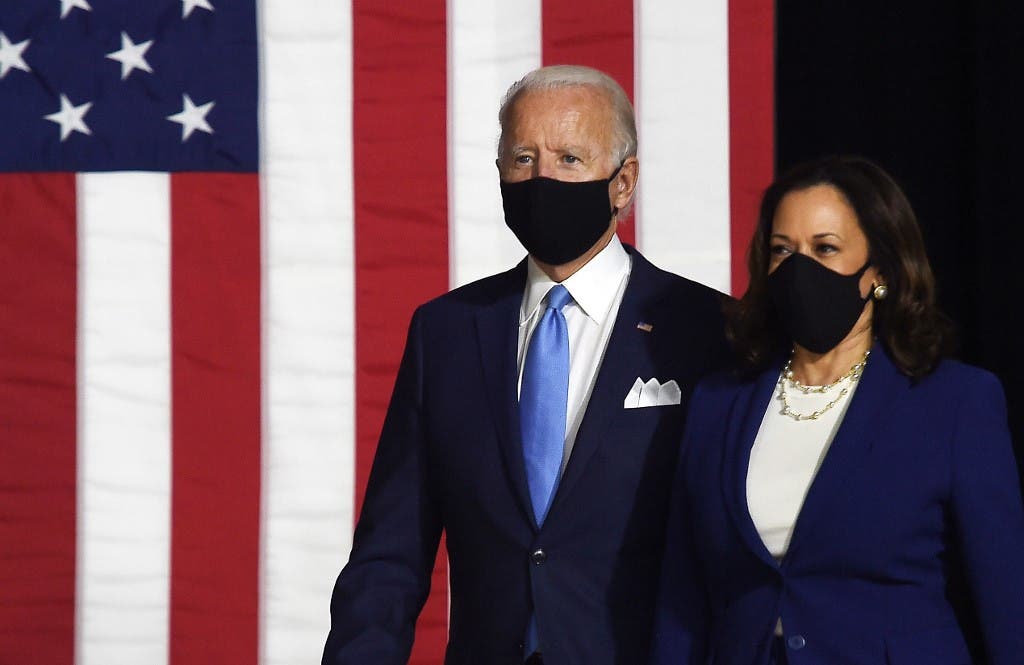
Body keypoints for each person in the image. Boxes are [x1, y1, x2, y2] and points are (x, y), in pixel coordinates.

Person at [322, 65, 730, 665]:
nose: (542, 178)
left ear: (624, 182)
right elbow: (391, 552)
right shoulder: (447, 333)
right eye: (522, 158)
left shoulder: (704, 331)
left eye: (568, 158)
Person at [651, 155, 1024, 665]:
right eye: (784, 251)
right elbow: (684, 597)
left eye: (825, 249)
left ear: (878, 271)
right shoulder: (718, 404)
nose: (800, 269)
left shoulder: (955, 402)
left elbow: (1004, 595)